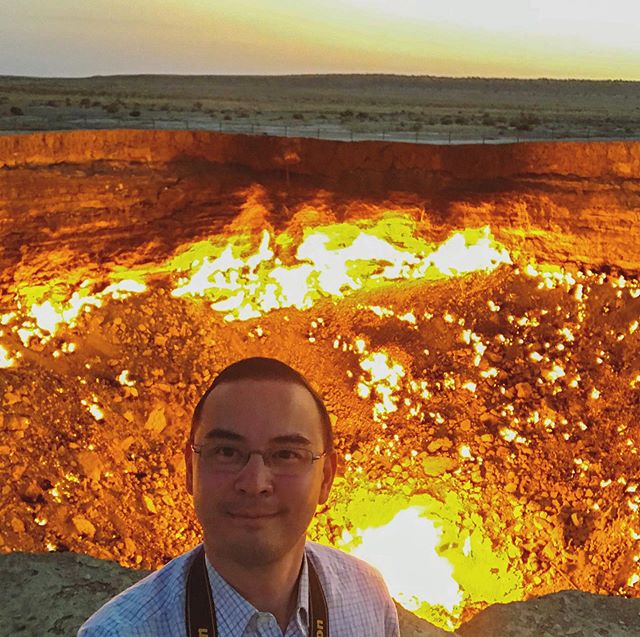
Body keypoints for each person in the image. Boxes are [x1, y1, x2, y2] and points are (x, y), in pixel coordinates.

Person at [79, 356, 400, 636]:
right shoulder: (120, 632)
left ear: (326, 477)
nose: (255, 482)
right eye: (228, 452)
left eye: (286, 454)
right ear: (191, 470)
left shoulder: (368, 597)